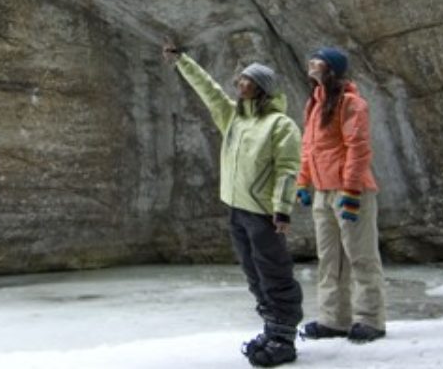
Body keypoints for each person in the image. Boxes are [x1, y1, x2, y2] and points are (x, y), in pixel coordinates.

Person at [163, 42, 303, 367]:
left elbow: (287, 170)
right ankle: (271, 327)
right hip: (237, 210)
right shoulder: (234, 119)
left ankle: (284, 336)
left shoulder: (280, 126)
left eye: (245, 81)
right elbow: (209, 91)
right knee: (254, 273)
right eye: (239, 80)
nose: (238, 84)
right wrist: (182, 62)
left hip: (264, 214)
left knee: (274, 272)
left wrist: (282, 210)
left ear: (261, 89)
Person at [295, 47, 387, 343]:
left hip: (351, 190)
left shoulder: (351, 103)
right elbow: (309, 149)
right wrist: (303, 182)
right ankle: (334, 319)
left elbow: (358, 148)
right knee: (329, 259)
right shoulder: (314, 104)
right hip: (323, 191)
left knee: (361, 256)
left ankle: (370, 319)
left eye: (318, 60)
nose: (311, 63)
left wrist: (350, 189)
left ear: (332, 68)